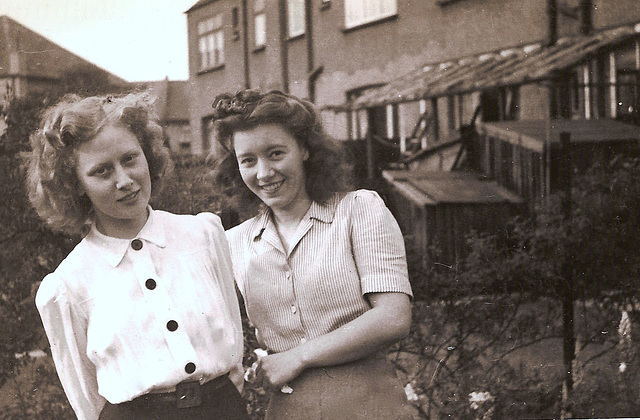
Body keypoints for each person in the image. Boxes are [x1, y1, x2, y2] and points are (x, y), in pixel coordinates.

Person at [27, 93, 248, 420]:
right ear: (75, 185)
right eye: (102, 171)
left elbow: (233, 340)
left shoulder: (202, 234)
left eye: (130, 159)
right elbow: (88, 400)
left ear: (148, 155)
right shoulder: (67, 285)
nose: (124, 180)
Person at [210, 89, 415, 419]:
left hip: (371, 406)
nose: (263, 173)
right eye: (248, 160)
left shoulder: (359, 211)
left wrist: (297, 356)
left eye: (276, 153)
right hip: (289, 409)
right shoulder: (233, 242)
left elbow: (393, 317)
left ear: (305, 148)